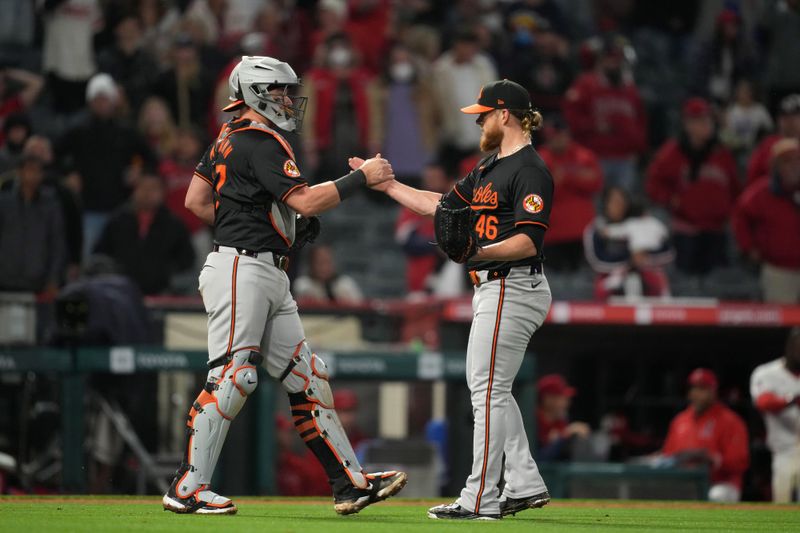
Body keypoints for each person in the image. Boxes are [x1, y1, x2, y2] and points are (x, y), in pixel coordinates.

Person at [162, 56, 405, 515]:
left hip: (261, 268)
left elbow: (196, 201)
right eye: (279, 91)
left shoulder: (226, 139)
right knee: (234, 376)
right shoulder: (263, 141)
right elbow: (309, 201)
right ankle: (188, 486)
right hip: (244, 269)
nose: (289, 101)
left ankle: (349, 483)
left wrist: (259, 221)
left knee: (306, 377)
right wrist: (363, 177)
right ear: (255, 92)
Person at [367, 79, 553, 520]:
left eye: (484, 114)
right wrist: (390, 186)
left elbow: (529, 240)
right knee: (492, 391)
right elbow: (442, 206)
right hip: (495, 285)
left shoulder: (529, 169)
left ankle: (479, 498)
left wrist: (477, 253)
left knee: (486, 392)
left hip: (512, 282)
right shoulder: (489, 168)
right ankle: (524, 482)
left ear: (504, 114)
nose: (479, 121)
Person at [57, 73, 156, 257]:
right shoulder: (78, 131)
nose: (102, 104)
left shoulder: (126, 131)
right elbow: (54, 155)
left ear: (113, 101)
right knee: (90, 257)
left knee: (123, 257)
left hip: (122, 206)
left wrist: (139, 171)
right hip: (89, 208)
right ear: (90, 102)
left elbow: (151, 158)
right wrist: (68, 173)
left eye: (105, 99)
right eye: (97, 99)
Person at [646, 97, 739, 276]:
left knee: (716, 286)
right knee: (686, 284)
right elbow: (653, 185)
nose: (707, 125)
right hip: (686, 231)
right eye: (701, 120)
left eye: (709, 120)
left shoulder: (722, 153)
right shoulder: (672, 152)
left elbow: (735, 188)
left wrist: (728, 210)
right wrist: (672, 200)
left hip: (716, 230)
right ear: (688, 124)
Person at [562, 34, 647, 192]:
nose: (613, 63)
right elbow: (570, 118)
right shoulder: (586, 84)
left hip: (625, 158)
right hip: (595, 156)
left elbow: (641, 122)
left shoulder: (630, 90)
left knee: (622, 207)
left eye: (616, 59)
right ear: (600, 60)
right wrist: (593, 126)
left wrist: (637, 147)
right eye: (609, 59)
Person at [93, 173, 195, 295]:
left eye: (153, 188)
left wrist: (168, 277)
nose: (147, 193)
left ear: (163, 192)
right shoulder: (117, 221)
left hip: (162, 294)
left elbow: (187, 260)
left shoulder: (174, 225)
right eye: (142, 187)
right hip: (121, 293)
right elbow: (101, 254)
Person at [660, 369, 749, 503]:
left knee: (716, 496)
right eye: (693, 388)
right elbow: (668, 455)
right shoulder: (680, 420)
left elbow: (740, 461)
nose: (696, 393)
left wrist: (714, 459)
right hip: (686, 483)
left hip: (720, 484)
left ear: (713, 391)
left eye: (702, 388)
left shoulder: (730, 421)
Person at [732, 138, 800, 304]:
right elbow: (739, 217)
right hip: (778, 270)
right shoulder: (761, 193)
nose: (793, 166)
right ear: (776, 166)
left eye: (797, 161)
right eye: (786, 161)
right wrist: (749, 247)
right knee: (783, 324)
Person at [537, 115, 603, 271]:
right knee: (556, 284)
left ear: (567, 134)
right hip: (553, 233)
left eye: (559, 135)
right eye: (552, 136)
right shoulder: (538, 159)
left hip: (582, 231)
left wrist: (566, 177)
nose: (556, 140)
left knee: (584, 282)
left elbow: (596, 183)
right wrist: (576, 177)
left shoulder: (584, 155)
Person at [584, 186, 672, 299]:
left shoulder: (638, 224)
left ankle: (665, 309)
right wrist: (630, 258)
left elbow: (667, 252)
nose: (619, 205)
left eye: (622, 201)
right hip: (609, 274)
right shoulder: (596, 229)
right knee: (608, 284)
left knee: (655, 276)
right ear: (605, 204)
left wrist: (643, 254)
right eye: (615, 201)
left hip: (643, 272)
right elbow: (597, 262)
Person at [431, 28, 497, 176]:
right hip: (452, 136)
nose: (469, 50)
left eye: (472, 46)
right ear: (456, 45)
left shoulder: (484, 65)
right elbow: (436, 103)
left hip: (481, 136)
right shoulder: (441, 69)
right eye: (465, 45)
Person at [0, 154, 66, 294]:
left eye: (37, 171)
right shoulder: (4, 204)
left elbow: (57, 243)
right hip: (5, 278)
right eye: (29, 170)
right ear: (19, 172)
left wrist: (53, 279)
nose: (33, 175)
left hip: (37, 280)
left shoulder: (51, 206)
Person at [750, 328, 800, 503]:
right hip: (784, 451)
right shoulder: (767, 373)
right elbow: (763, 402)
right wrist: (792, 400)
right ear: (789, 346)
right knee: (783, 507)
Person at [394, 163, 450, 295]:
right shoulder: (413, 203)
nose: (432, 182)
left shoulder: (456, 203)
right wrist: (439, 245)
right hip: (419, 281)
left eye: (436, 178)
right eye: (429, 178)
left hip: (449, 279)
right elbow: (406, 241)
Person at [747, 94, 800, 184]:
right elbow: (752, 179)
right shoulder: (768, 145)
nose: (790, 121)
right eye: (784, 116)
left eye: (795, 115)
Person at [536, 374, 590, 462]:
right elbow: (538, 460)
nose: (567, 402)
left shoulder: (560, 421)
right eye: (562, 398)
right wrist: (565, 435)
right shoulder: (532, 422)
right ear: (548, 399)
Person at [293, 244, 364, 303]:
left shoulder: (346, 284)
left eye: (327, 261)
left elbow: (360, 308)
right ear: (311, 264)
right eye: (320, 262)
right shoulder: (302, 285)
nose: (324, 267)